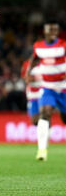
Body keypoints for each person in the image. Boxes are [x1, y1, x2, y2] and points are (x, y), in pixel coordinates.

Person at [24, 22, 66, 161]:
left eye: (56, 29)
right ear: (45, 31)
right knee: (45, 113)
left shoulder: (62, 45)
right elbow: (34, 58)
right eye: (51, 29)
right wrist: (28, 72)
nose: (53, 31)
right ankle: (42, 150)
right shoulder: (38, 46)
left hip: (63, 87)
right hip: (47, 87)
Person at [21, 59, 42, 126]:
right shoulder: (27, 63)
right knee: (34, 121)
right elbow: (26, 79)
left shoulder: (46, 62)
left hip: (43, 93)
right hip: (32, 95)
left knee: (45, 117)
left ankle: (46, 135)